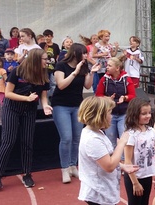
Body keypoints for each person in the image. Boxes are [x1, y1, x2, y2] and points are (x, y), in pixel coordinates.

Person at [0, 49, 53, 189]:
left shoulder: (44, 74)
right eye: (44, 59)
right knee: (8, 140)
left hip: (29, 111)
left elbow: (43, 95)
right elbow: (8, 93)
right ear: (36, 60)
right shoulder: (18, 71)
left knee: (27, 142)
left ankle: (27, 174)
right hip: (11, 108)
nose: (46, 61)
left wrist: (45, 106)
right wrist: (26, 98)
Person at [76, 96, 139, 205]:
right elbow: (109, 166)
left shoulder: (96, 133)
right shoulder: (93, 139)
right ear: (99, 115)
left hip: (103, 189)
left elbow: (104, 158)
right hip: (98, 192)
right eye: (109, 113)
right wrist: (122, 143)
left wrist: (122, 166)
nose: (111, 116)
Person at [53, 43, 99, 183]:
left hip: (77, 105)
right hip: (61, 105)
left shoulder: (84, 66)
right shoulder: (61, 65)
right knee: (66, 138)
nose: (86, 56)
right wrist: (75, 71)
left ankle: (73, 166)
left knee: (77, 138)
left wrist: (91, 73)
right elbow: (61, 85)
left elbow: (87, 85)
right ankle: (65, 168)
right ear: (75, 53)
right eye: (84, 53)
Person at [123, 98, 155, 205]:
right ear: (134, 114)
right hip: (135, 176)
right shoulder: (131, 134)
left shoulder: (151, 131)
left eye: (149, 113)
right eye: (144, 114)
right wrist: (135, 183)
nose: (148, 116)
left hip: (147, 175)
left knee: (145, 202)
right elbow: (128, 161)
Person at [95, 57, 136, 147]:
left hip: (124, 113)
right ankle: (112, 158)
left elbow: (133, 95)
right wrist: (107, 98)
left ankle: (123, 159)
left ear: (117, 68)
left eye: (109, 65)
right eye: (107, 65)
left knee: (124, 138)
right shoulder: (104, 79)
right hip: (110, 113)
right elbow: (98, 95)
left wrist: (125, 97)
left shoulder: (126, 79)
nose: (107, 67)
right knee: (110, 138)